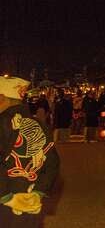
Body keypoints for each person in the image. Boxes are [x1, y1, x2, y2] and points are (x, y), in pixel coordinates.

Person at [0, 76, 60, 228]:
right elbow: (52, 162)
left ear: (1, 99)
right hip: (30, 203)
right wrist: (38, 192)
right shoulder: (39, 124)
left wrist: (7, 197)